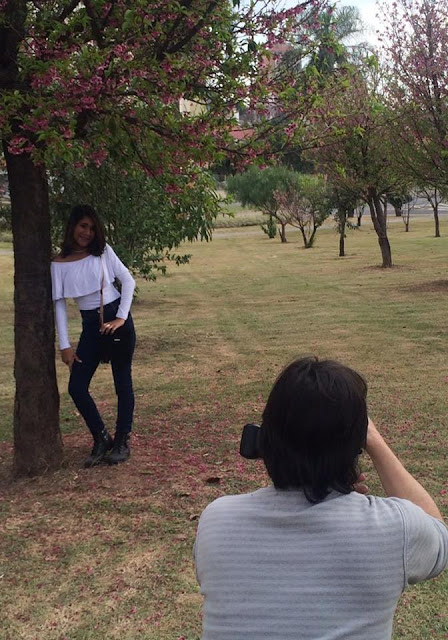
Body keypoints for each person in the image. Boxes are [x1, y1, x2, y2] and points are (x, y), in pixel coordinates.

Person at [194, 357, 448, 640]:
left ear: (265, 438)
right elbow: (439, 535)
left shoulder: (217, 521)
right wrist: (375, 441)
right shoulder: (394, 528)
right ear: (356, 445)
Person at [51, 204, 136, 468]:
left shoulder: (103, 252)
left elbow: (128, 281)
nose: (86, 232)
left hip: (115, 317)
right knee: (76, 386)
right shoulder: (58, 264)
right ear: (72, 227)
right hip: (90, 326)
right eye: (82, 226)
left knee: (122, 382)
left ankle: (122, 441)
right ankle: (101, 438)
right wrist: (65, 345)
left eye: (91, 227)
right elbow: (59, 304)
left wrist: (121, 317)